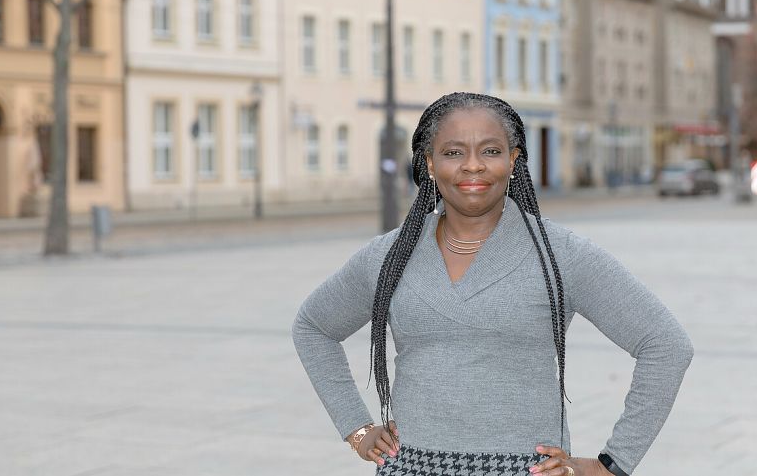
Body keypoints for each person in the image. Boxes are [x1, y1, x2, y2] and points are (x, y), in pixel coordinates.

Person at [292, 93, 694, 476]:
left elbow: (666, 345)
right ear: (429, 163)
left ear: (513, 160)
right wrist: (357, 429)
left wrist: (612, 464)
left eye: (490, 150)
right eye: (453, 152)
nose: (472, 166)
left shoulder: (559, 253)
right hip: (411, 466)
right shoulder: (387, 256)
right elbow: (313, 326)